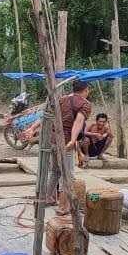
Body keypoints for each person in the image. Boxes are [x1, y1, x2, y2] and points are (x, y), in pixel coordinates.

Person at [46, 80, 92, 212]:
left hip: (53, 139)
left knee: (55, 170)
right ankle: (62, 206)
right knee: (68, 174)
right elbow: (78, 121)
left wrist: (32, 128)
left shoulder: (61, 99)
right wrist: (72, 140)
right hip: (65, 141)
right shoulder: (84, 104)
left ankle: (48, 197)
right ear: (85, 90)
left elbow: (48, 116)